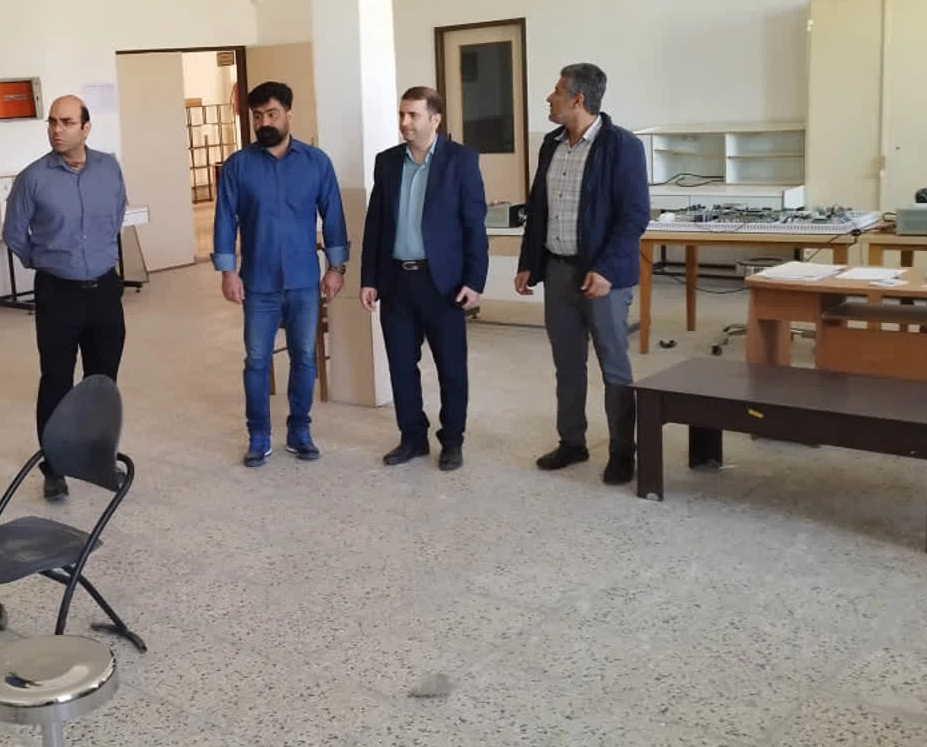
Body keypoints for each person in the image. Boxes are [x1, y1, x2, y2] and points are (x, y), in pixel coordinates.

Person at [514, 63, 649, 485]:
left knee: (614, 367)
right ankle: (572, 442)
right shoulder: (551, 144)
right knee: (567, 365)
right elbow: (539, 208)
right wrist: (528, 262)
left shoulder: (622, 146)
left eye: (556, 91)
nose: (548, 97)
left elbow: (634, 216)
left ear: (578, 99)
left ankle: (623, 452)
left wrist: (606, 269)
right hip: (557, 271)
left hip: (602, 278)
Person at [213, 80, 349, 466]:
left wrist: (336, 268)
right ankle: (258, 435)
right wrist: (227, 271)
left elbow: (333, 216)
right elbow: (225, 220)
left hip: (304, 281)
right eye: (257, 116)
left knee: (304, 358)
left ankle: (299, 430)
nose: (264, 122)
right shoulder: (238, 166)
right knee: (257, 361)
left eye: (272, 114)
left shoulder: (316, 163)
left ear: (289, 113)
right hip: (258, 283)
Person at [3, 94, 128, 500]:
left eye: (67, 122)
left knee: (102, 381)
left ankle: (98, 456)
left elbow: (117, 215)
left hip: (104, 290)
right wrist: (45, 260)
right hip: (58, 292)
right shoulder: (33, 178)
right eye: (52, 122)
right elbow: (14, 233)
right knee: (56, 379)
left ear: (86, 128)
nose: (57, 130)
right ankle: (54, 467)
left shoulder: (108, 168)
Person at [360, 87, 488, 471]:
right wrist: (369, 278)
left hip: (443, 283)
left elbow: (474, 226)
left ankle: (452, 441)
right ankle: (412, 438)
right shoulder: (387, 162)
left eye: (413, 115)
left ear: (435, 119)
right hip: (396, 281)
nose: (404, 123)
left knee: (452, 368)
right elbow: (375, 225)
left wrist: (475, 280)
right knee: (401, 366)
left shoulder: (461, 161)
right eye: (401, 114)